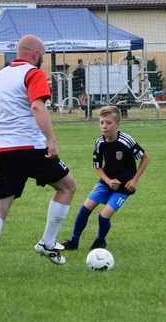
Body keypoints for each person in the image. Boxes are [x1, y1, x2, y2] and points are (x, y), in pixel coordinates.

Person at [0, 35, 77, 279]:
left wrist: (6, 136)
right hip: (31, 148)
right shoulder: (33, 73)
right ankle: (47, 243)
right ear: (35, 54)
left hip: (2, 151)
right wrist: (51, 140)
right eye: (42, 55)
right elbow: (37, 106)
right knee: (68, 187)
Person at [63, 105, 149, 251]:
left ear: (117, 124)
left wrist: (134, 180)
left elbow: (145, 158)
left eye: (108, 123)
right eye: (102, 122)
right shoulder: (99, 142)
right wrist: (108, 181)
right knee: (85, 209)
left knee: (104, 216)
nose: (104, 126)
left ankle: (100, 241)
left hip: (124, 188)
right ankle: (74, 242)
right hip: (106, 182)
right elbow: (97, 166)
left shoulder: (126, 141)